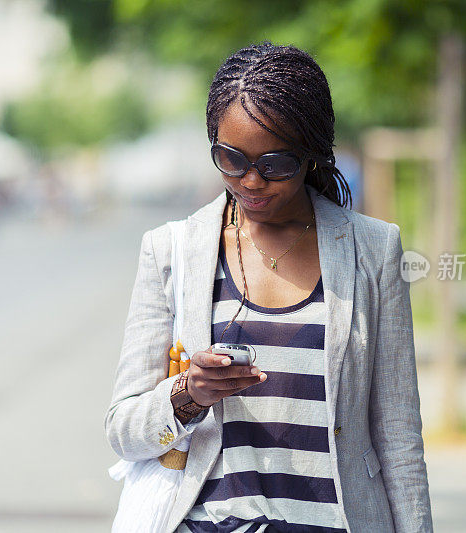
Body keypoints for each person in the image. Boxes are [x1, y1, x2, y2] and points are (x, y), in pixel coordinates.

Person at [105, 41, 433, 533]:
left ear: (312, 155)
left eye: (275, 164)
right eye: (231, 159)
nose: (251, 181)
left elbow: (399, 436)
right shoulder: (171, 252)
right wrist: (188, 393)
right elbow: (123, 430)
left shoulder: (373, 250)